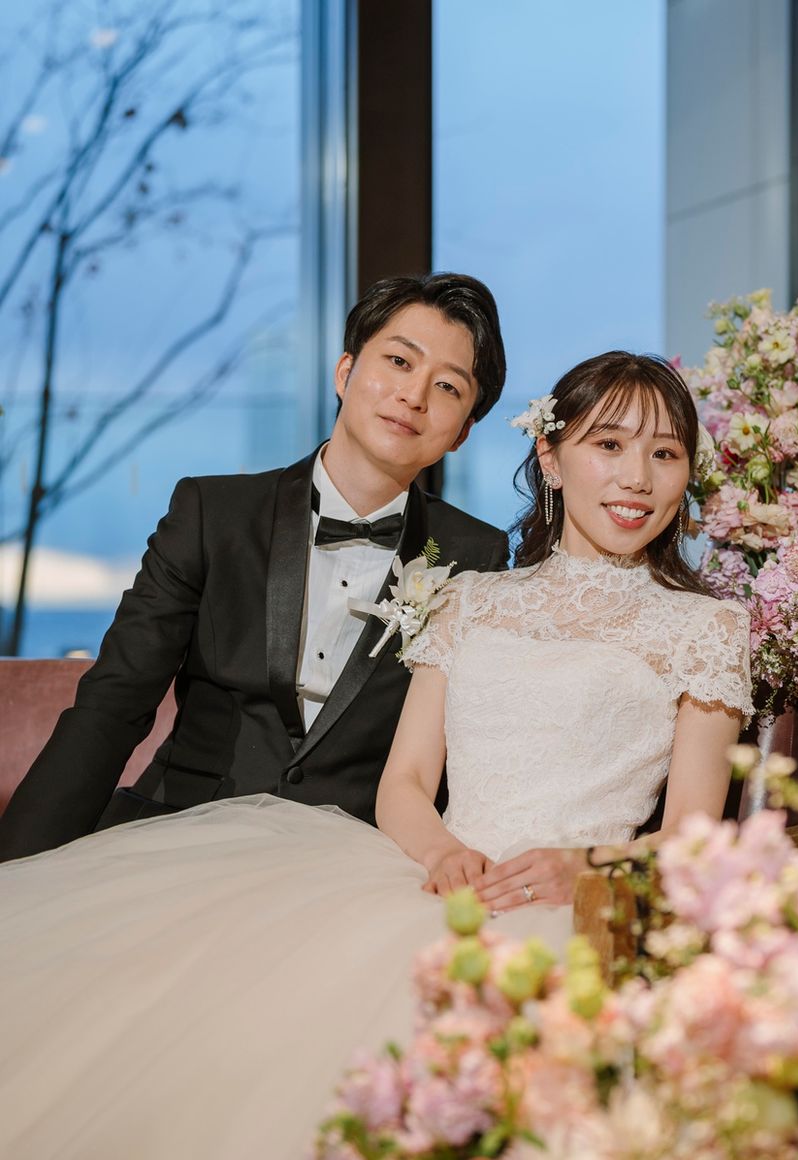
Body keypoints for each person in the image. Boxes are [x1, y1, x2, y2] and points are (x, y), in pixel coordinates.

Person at [0, 352, 752, 1160]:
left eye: (665, 453)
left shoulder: (707, 628)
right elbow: (407, 781)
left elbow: (693, 836)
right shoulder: (467, 596)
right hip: (427, 881)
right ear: (550, 456)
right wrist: (444, 854)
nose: (637, 478)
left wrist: (589, 869)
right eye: (608, 445)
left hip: (583, 909)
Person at [0, 272, 510, 862]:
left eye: (447, 386)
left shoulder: (475, 557)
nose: (414, 395)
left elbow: (469, 753)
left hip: (355, 860)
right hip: (182, 838)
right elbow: (113, 705)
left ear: (463, 432)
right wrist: (18, 868)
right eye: (398, 361)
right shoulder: (211, 513)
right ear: (345, 372)